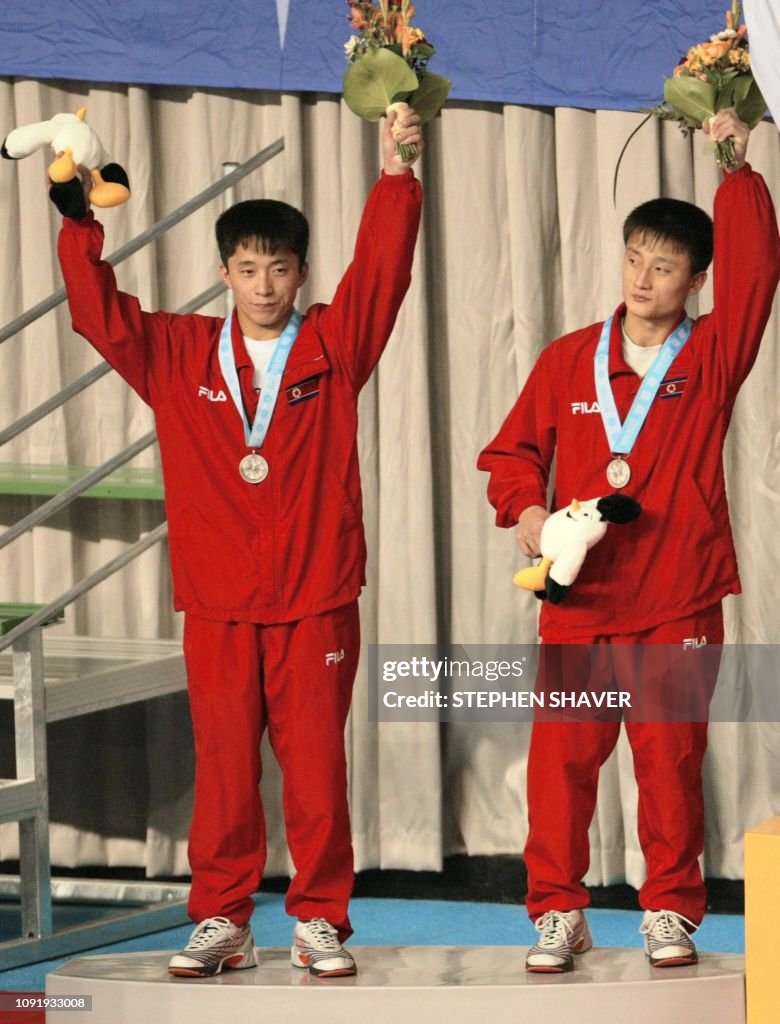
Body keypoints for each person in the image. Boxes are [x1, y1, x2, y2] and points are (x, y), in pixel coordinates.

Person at [53, 110, 424, 978]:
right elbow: (96, 314)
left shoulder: (333, 344)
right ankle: (222, 917)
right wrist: (79, 224)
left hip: (316, 597)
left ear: (301, 274)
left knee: (315, 771)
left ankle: (320, 919)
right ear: (223, 271)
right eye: (248, 269)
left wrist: (398, 177)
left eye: (280, 270)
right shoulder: (178, 353)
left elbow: (384, 275)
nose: (264, 286)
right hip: (219, 601)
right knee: (222, 768)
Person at [477, 109, 780, 972]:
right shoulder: (571, 359)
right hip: (581, 605)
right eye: (636, 259)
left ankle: (671, 911)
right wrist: (530, 515)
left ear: (695, 281)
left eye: (666, 267)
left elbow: (760, 272)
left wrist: (737, 166)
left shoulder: (714, 354)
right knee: (561, 768)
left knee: (669, 765)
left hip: (676, 596)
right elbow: (510, 454)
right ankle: (558, 911)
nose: (645, 278)